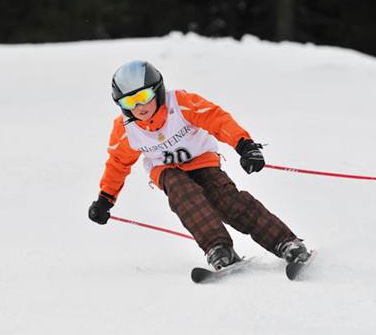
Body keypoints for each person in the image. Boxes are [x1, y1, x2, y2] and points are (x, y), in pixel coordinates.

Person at [88, 60, 309, 270]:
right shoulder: (126, 130)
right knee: (181, 191)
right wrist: (105, 200)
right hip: (165, 170)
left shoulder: (181, 103)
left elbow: (217, 119)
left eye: (144, 96)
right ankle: (218, 248)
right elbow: (118, 163)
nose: (139, 106)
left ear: (157, 90)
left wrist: (244, 145)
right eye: (129, 101)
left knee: (227, 201)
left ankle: (286, 243)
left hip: (202, 161)